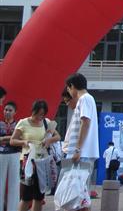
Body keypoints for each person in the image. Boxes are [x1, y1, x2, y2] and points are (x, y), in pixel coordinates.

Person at [10, 100, 61, 211]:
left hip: (42, 162)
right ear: (33, 111)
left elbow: (58, 137)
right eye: (37, 114)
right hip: (27, 162)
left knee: (39, 196)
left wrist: (49, 140)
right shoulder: (23, 123)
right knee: (26, 196)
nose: (39, 117)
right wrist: (24, 142)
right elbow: (12, 140)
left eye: (42, 114)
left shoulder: (46, 122)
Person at [60, 73, 99, 211]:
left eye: (68, 88)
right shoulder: (87, 99)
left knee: (77, 195)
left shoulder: (85, 99)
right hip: (82, 154)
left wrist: (77, 149)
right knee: (79, 195)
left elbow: (85, 122)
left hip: (81, 154)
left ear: (72, 86)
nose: (69, 91)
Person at [0, 101, 20, 211]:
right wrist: (12, 138)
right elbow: (15, 139)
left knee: (14, 183)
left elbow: (20, 139)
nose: (7, 112)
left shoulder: (19, 125)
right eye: (6, 110)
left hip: (15, 155)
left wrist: (3, 138)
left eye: (10, 110)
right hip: (1, 155)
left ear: (15, 112)